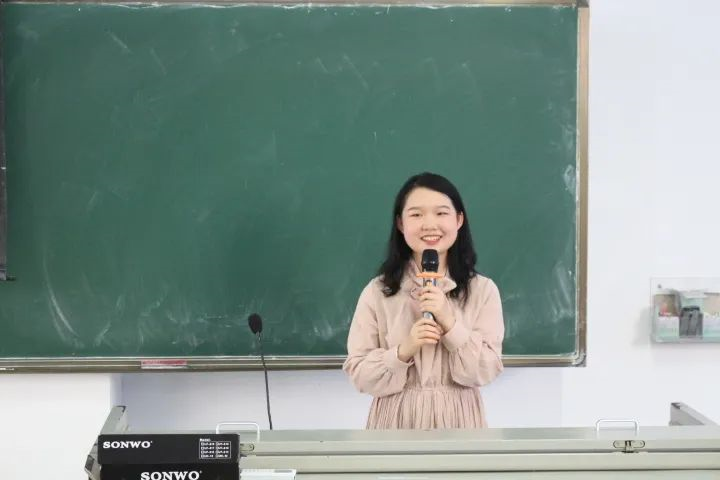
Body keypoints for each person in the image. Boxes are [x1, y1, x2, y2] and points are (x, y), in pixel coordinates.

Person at [343, 172, 504, 429]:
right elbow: (360, 375)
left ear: (459, 220)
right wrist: (403, 351)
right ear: (400, 223)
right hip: (396, 420)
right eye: (416, 215)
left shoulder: (482, 290)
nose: (429, 224)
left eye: (441, 213)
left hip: (459, 419)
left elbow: (485, 370)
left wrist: (450, 323)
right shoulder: (378, 291)